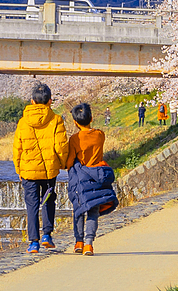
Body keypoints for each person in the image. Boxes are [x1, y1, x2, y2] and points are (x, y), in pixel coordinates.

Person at [14, 84, 68, 254]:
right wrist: (62, 163)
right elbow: (61, 146)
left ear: (32, 101)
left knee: (32, 205)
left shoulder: (23, 122)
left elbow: (17, 148)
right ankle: (47, 235)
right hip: (49, 170)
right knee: (48, 201)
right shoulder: (56, 119)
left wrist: (19, 169)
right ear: (50, 101)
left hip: (28, 171)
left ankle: (33, 242)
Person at [65, 103, 118, 257]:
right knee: (93, 211)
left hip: (81, 179)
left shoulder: (75, 139)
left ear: (75, 122)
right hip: (97, 176)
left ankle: (78, 242)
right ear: (92, 118)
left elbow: (70, 161)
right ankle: (89, 244)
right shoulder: (100, 135)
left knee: (79, 209)